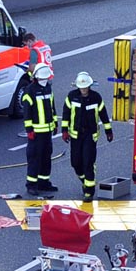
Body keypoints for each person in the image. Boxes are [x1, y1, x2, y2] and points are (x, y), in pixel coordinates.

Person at [61, 72, 114, 202]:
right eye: (81, 88)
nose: (83, 90)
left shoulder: (96, 98)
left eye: (85, 87)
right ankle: (85, 180)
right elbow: (66, 114)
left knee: (88, 162)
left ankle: (89, 191)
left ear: (90, 86)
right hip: (75, 135)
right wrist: (64, 131)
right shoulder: (71, 97)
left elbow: (103, 115)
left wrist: (109, 131)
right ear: (78, 87)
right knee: (75, 162)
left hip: (90, 135)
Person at [22, 63, 58, 196]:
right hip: (36, 133)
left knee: (46, 157)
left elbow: (52, 106)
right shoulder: (30, 91)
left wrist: (55, 122)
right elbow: (27, 112)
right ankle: (31, 184)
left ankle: (44, 182)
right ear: (36, 77)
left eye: (46, 79)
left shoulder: (48, 88)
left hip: (47, 130)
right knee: (34, 158)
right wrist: (29, 129)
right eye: (42, 79)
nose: (45, 81)